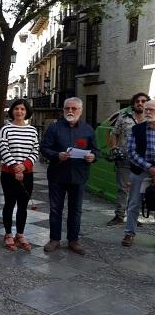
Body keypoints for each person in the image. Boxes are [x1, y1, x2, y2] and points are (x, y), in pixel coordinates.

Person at [40, 97, 97, 255]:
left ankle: (73, 240)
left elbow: (95, 150)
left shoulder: (88, 129)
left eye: (74, 108)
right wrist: (57, 155)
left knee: (76, 210)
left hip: (79, 176)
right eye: (67, 108)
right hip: (58, 174)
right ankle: (54, 239)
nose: (70, 111)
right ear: (63, 110)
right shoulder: (54, 128)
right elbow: (44, 148)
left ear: (81, 111)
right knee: (55, 209)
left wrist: (93, 156)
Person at [0, 99, 39, 251]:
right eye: (16, 109)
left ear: (26, 111)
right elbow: (3, 148)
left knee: (23, 205)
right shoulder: (5, 129)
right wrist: (15, 167)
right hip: (9, 174)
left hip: (27, 173)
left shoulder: (33, 131)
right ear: (12, 111)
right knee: (9, 203)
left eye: (22, 109)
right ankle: (8, 234)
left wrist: (24, 167)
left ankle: (20, 234)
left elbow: (35, 150)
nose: (19, 112)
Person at [107, 92, 150, 226]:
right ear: (133, 103)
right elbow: (114, 134)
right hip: (124, 158)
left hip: (143, 161)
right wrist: (114, 148)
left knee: (138, 190)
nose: (140, 103)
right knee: (122, 188)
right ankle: (119, 215)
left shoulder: (150, 119)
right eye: (137, 101)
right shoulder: (124, 118)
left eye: (143, 101)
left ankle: (133, 217)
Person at [121, 99, 155, 247]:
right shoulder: (137, 129)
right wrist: (149, 167)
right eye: (146, 109)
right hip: (140, 171)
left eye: (151, 110)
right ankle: (129, 233)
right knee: (134, 203)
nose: (147, 112)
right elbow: (131, 152)